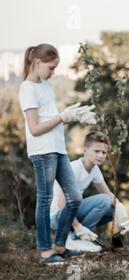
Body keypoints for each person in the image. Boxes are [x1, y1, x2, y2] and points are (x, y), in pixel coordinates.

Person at [19, 43, 97, 264]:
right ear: (37, 63)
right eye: (51, 68)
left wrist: (74, 116)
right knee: (45, 199)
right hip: (42, 152)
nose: (53, 72)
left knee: (75, 198)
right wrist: (63, 117)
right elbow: (34, 129)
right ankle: (45, 251)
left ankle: (60, 246)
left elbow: (51, 120)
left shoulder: (45, 85)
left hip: (58, 149)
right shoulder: (27, 89)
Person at [49, 131, 129, 252]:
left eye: (104, 152)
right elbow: (61, 203)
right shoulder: (74, 168)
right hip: (57, 215)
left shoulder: (94, 170)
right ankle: (77, 239)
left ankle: (74, 238)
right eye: (96, 151)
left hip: (72, 212)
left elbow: (107, 193)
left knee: (112, 210)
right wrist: (78, 227)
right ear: (85, 150)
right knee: (104, 201)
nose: (101, 155)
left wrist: (120, 208)